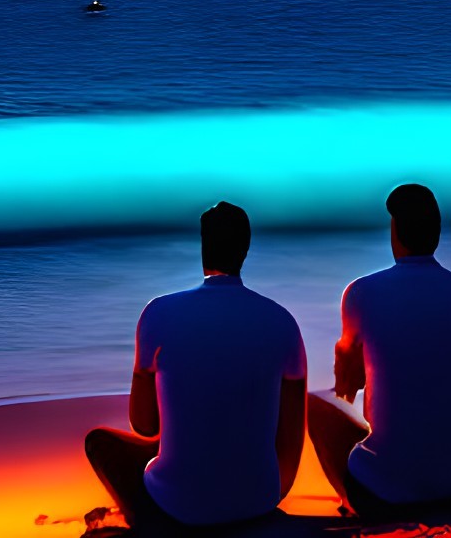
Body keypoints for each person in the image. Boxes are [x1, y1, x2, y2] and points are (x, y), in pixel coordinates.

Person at [85, 203, 308, 529]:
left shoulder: (159, 313)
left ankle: (147, 521)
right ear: (245, 249)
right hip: (259, 498)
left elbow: (144, 425)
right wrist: (270, 492)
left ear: (203, 246)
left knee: (100, 442)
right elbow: (291, 437)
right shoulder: (282, 322)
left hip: (179, 506)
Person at [307, 184, 451, 519]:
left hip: (385, 494)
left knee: (316, 406)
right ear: (437, 233)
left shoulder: (362, 293)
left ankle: (350, 501)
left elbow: (347, 388)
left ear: (395, 231)